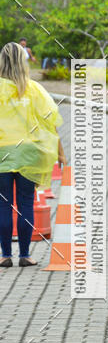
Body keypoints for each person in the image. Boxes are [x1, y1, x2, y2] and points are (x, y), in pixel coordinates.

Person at [0, 41, 65, 268]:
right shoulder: (34, 89)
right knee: (26, 203)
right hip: (29, 153)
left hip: (2, 153)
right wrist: (60, 153)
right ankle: (25, 255)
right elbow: (51, 122)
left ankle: (5, 255)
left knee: (4, 204)